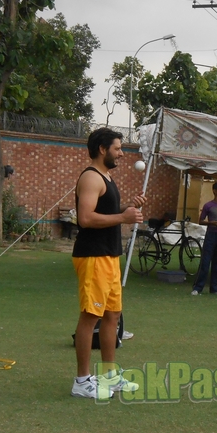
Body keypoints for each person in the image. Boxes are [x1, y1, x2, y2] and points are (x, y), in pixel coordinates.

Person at [71, 128, 146, 399]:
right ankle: (81, 381)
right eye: (117, 148)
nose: (121, 153)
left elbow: (108, 212)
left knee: (112, 316)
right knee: (91, 316)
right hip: (93, 256)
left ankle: (109, 376)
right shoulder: (91, 177)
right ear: (102, 149)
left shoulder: (107, 176)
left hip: (109, 256)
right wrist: (123, 218)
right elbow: (86, 218)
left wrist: (127, 208)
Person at [192, 182, 217, 296]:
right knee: (205, 261)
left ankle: (215, 288)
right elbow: (201, 220)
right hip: (211, 235)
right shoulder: (208, 206)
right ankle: (198, 288)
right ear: (214, 191)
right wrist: (211, 223)